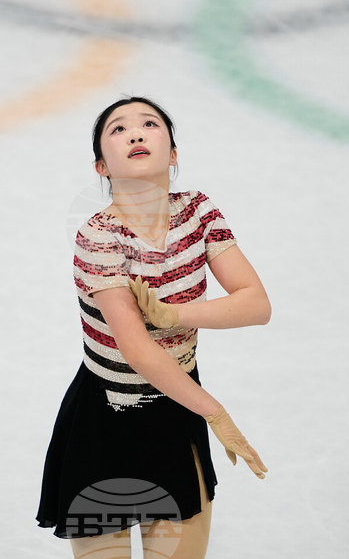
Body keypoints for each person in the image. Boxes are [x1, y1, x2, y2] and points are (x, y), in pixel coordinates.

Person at [36, 96, 271, 558]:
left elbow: (256, 304)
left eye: (150, 124)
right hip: (106, 422)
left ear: (174, 154)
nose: (137, 133)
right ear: (102, 166)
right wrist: (215, 413)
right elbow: (139, 351)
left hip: (178, 413)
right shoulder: (99, 236)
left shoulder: (198, 213)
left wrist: (173, 314)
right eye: (118, 130)